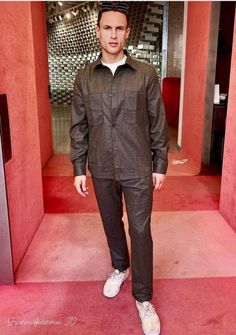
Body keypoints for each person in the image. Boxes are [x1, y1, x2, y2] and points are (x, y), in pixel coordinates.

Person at [70, 2, 169, 335]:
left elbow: (158, 120)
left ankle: (143, 298)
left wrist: (160, 162)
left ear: (128, 32)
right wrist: (78, 166)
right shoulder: (84, 77)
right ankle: (119, 267)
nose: (113, 35)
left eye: (119, 29)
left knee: (140, 231)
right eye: (107, 28)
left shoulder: (145, 74)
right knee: (111, 221)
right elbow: (78, 125)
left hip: (138, 165)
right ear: (98, 31)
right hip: (101, 165)